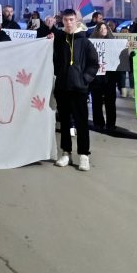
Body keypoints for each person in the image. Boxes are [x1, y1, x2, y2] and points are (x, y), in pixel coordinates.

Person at [53, 9, 100, 171]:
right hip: (62, 88)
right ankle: (66, 153)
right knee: (65, 123)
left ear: (76, 21)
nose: (68, 23)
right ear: (62, 21)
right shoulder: (59, 40)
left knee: (81, 123)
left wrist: (84, 80)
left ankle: (84, 155)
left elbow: (94, 64)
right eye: (66, 20)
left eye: (71, 19)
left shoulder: (85, 42)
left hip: (79, 89)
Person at [88, 22, 119, 131]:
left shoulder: (113, 43)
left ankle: (111, 124)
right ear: (97, 30)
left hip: (109, 77)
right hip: (96, 77)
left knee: (110, 102)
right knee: (96, 101)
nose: (103, 30)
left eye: (105, 28)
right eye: (101, 28)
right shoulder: (90, 43)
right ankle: (98, 123)